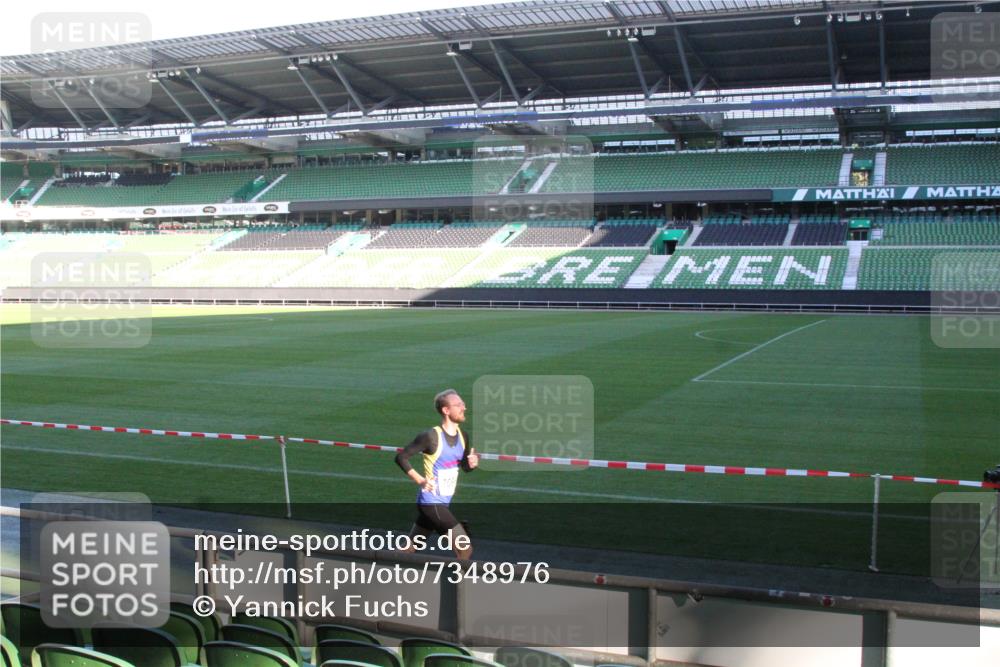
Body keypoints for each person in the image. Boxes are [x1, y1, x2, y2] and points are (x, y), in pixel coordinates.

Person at [395, 388, 479, 559]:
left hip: (443, 503)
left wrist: (472, 463)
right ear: (446, 410)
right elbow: (401, 457)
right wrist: (420, 480)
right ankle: (458, 586)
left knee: (408, 550)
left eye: (463, 403)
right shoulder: (430, 436)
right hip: (431, 503)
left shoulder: (464, 436)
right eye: (458, 405)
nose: (464, 407)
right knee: (465, 549)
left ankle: (375, 571)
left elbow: (464, 466)